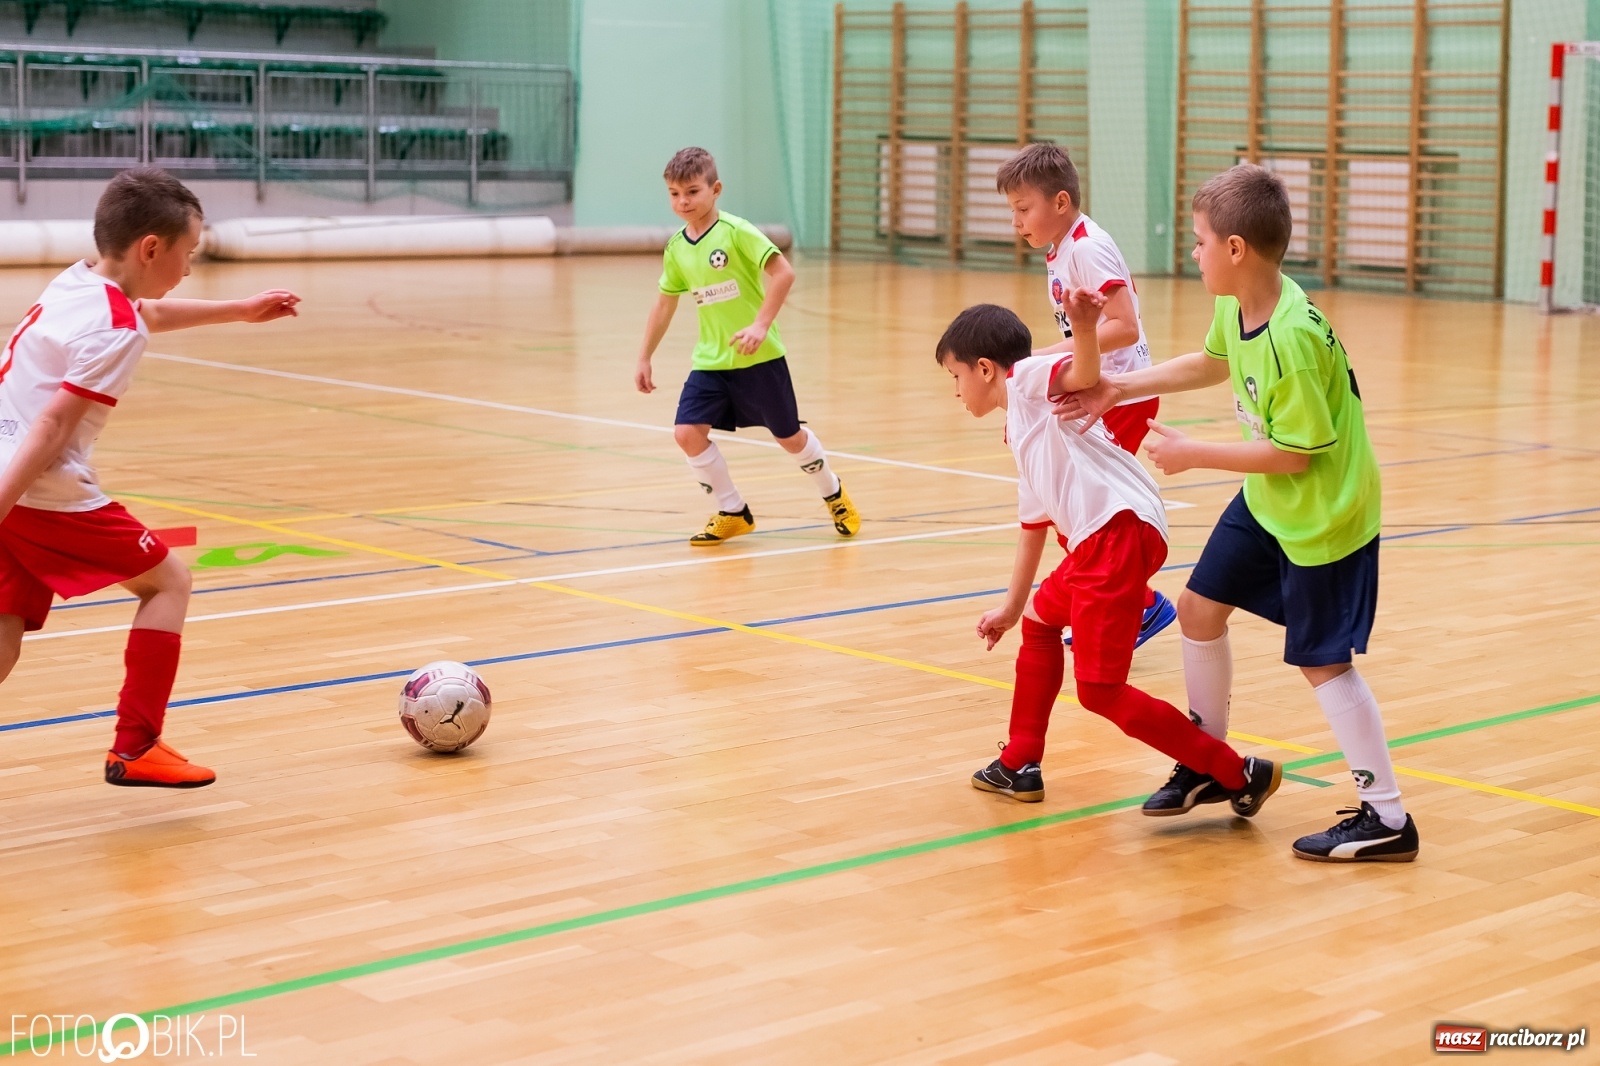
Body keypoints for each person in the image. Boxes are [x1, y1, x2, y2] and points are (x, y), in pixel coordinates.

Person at [1055, 163, 1419, 862]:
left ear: (1235, 249)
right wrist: (1118, 388)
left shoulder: (1293, 339)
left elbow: (1295, 455)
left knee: (1323, 664)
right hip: (1269, 501)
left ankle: (1387, 816)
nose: (1192, 253)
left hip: (1324, 515)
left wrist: (1194, 453)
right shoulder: (1241, 302)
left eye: (1199, 241)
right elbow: (1211, 362)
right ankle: (1210, 762)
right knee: (1198, 610)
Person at [0, 166, 301, 788]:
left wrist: (241, 310)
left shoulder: (78, 283)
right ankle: (136, 746)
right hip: (38, 492)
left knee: (3, 632)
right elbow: (52, 427)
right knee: (168, 582)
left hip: (6, 468)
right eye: (188, 252)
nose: (189, 268)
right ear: (151, 248)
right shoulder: (113, 328)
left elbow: (150, 313)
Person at [935, 296, 1278, 815]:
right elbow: (1033, 528)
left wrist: (1083, 326)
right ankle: (1019, 761)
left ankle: (1237, 772)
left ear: (985, 369)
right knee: (1039, 621)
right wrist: (1011, 607)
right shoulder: (1021, 429)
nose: (956, 391)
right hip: (1111, 537)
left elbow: (1083, 372)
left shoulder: (1026, 379)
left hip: (1115, 533)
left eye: (956, 377)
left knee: (1100, 690)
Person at [997, 142, 1175, 648]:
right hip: (1095, 386)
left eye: (1023, 208)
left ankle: (1138, 605)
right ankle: (1127, 601)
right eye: (1013, 210)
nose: (1016, 222)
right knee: (1071, 507)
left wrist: (1047, 356)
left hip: (1119, 394)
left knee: (1085, 509)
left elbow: (1123, 326)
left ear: (1060, 202)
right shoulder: (1062, 247)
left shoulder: (1086, 247)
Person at [634, 146, 859, 546]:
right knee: (686, 433)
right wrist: (644, 356)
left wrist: (760, 325)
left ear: (715, 189)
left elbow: (783, 273)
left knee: (790, 438)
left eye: (692, 191)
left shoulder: (736, 232)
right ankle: (733, 511)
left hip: (760, 358)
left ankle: (833, 492)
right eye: (674, 194)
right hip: (711, 361)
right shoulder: (677, 248)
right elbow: (665, 303)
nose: (683, 201)